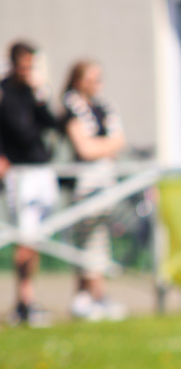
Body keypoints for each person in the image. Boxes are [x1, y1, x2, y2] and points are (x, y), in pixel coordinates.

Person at [61, 60, 127, 321]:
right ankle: (95, 296)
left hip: (105, 182)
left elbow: (119, 140)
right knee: (87, 240)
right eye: (91, 78)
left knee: (99, 240)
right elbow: (85, 149)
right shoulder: (71, 108)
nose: (97, 83)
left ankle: (87, 296)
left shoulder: (104, 107)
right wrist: (106, 147)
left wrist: (104, 146)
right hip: (84, 184)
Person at [0, 40, 58, 327]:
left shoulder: (32, 92)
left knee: (34, 238)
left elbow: (51, 124)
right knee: (25, 236)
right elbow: (15, 131)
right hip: (18, 172)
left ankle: (28, 299)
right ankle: (24, 300)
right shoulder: (4, 92)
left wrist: (41, 92)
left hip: (41, 169)